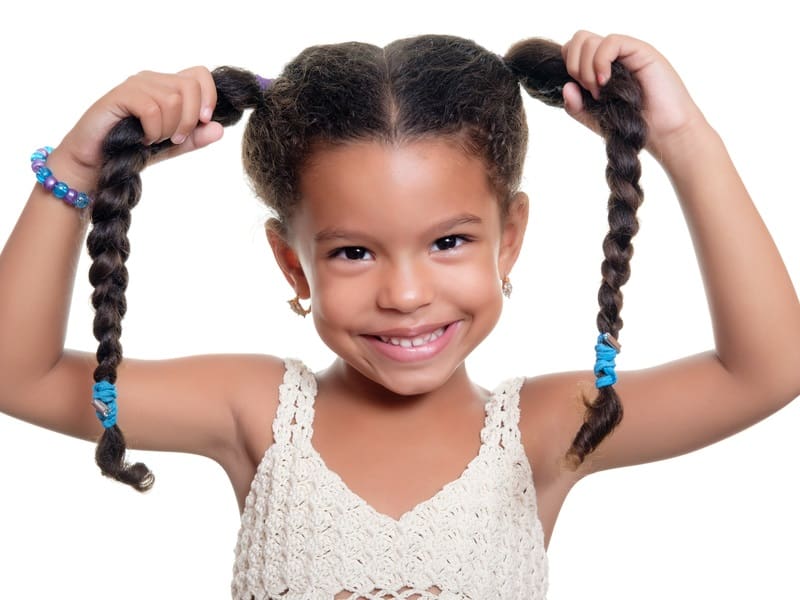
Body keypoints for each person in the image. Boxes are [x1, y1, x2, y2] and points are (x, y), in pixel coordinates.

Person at [1, 29, 797, 599]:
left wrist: (684, 141)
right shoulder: (256, 412)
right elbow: (20, 375)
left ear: (509, 239)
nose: (406, 294)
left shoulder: (545, 430)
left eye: (448, 240)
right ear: (293, 263)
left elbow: (767, 368)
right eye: (353, 252)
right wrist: (76, 168)